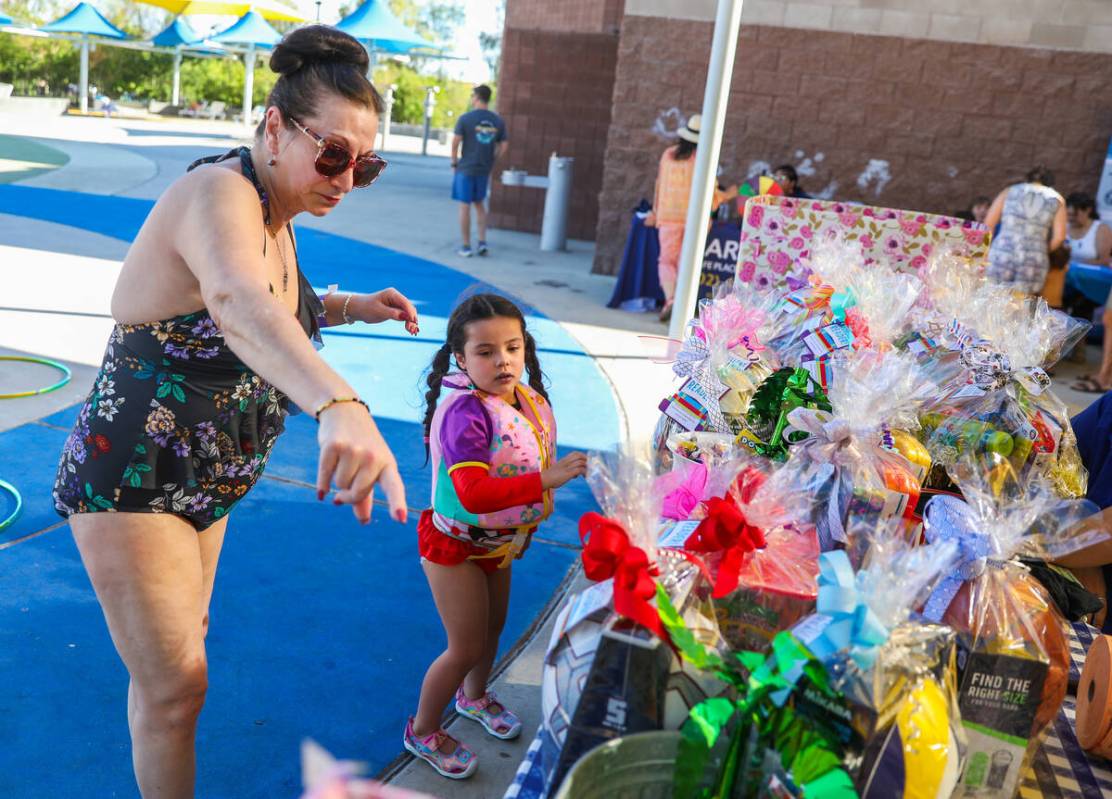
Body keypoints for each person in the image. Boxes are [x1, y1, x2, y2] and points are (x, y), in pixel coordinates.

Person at [51, 26, 417, 798]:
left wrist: (356, 306)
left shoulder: (276, 215)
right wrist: (339, 403)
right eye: (333, 155)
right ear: (276, 127)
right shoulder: (219, 192)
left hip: (204, 481)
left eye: (365, 164)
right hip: (135, 481)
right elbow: (237, 301)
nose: (346, 179)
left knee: (178, 664)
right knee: (176, 688)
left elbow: (286, 299)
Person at [404, 294, 587, 779]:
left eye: (512, 347)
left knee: (492, 630)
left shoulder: (523, 399)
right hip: (456, 546)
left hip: (498, 544)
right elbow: (474, 494)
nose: (502, 360)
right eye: (485, 352)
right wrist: (545, 482)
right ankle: (421, 729)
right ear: (461, 360)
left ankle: (474, 696)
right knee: (463, 646)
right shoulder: (466, 412)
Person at [645, 114, 733, 323]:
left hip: (668, 216)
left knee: (666, 260)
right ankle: (682, 306)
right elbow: (710, 192)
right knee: (687, 261)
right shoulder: (702, 157)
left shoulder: (668, 154)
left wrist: (656, 212)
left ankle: (670, 299)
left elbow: (660, 185)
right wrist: (729, 194)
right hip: (694, 219)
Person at [983, 165, 1067, 296]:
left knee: (992, 297)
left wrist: (987, 251)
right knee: (1021, 306)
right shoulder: (1056, 199)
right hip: (1034, 259)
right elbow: (1060, 237)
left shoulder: (1009, 191)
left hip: (1002, 252)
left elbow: (989, 224)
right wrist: (1043, 250)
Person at [451, 85, 507, 258]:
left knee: (464, 206)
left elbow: (455, 143)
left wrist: (454, 163)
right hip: (483, 169)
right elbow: (504, 146)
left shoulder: (465, 119)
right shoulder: (497, 121)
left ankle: (466, 246)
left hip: (466, 168)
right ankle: (482, 242)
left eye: (472, 95)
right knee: (480, 204)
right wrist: (492, 160)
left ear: (476, 97)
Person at [1065, 193, 1112, 393]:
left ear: (1087, 211)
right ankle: (1102, 373)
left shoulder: (1100, 229)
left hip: (1094, 282)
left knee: (1085, 304)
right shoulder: (1065, 226)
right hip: (1070, 279)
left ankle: (1103, 375)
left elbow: (1103, 259)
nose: (1071, 217)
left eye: (1076, 213)